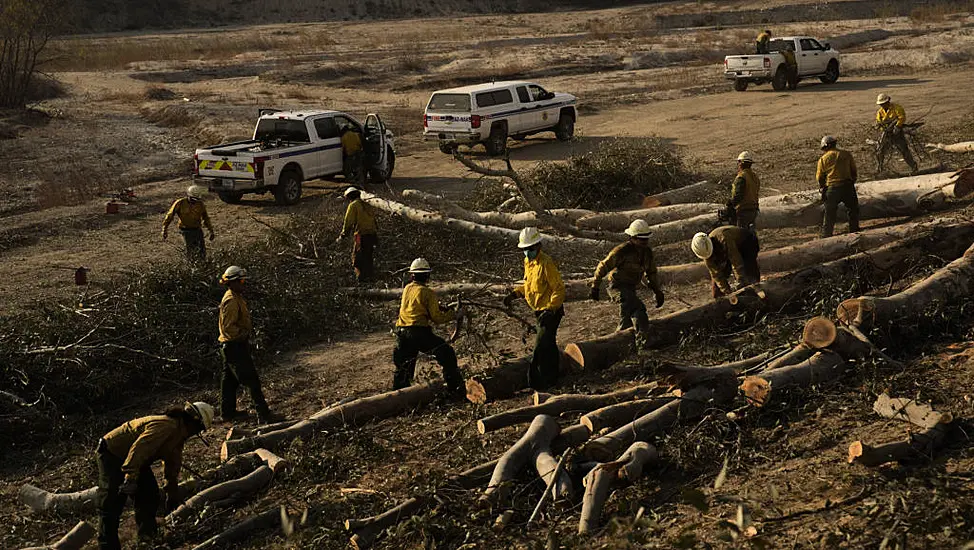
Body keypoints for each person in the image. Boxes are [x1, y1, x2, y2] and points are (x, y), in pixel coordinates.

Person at [96, 401, 214, 550]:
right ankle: (107, 547)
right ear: (194, 421)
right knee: (111, 503)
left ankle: (147, 540)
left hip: (135, 460)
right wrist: (131, 476)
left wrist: (172, 493)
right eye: (199, 428)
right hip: (112, 454)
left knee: (149, 495)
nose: (196, 433)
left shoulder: (178, 435)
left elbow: (173, 465)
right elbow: (140, 448)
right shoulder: (166, 426)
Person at [504, 227, 565, 390]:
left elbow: (559, 289)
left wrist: (551, 309)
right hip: (539, 311)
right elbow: (528, 286)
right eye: (524, 249)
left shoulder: (546, 263)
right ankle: (554, 378)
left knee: (540, 346)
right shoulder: (528, 263)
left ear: (538, 246)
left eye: (530, 249)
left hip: (551, 311)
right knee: (549, 344)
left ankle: (538, 382)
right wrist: (515, 294)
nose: (527, 252)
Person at [392, 258, 464, 394]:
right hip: (418, 333)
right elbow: (437, 318)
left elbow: (416, 305)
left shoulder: (407, 288)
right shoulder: (429, 293)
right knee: (447, 353)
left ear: (412, 275)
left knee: (403, 368)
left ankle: (397, 397)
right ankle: (455, 389)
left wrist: (440, 307)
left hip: (401, 332)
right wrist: (455, 315)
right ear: (428, 275)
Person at [217, 265, 275, 424]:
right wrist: (244, 336)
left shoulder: (236, 296)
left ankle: (227, 413)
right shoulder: (230, 301)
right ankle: (263, 414)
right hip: (234, 346)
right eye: (241, 281)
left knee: (229, 382)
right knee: (252, 380)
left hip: (231, 346)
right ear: (232, 282)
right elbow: (228, 328)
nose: (244, 283)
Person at [589, 219, 664, 341]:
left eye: (646, 239)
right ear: (633, 238)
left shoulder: (647, 253)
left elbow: (651, 273)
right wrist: (595, 286)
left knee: (631, 314)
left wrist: (657, 291)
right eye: (641, 239)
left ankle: (632, 341)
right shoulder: (621, 251)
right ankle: (633, 339)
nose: (645, 242)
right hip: (617, 286)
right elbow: (603, 266)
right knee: (637, 308)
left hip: (631, 287)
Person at [691, 226, 760, 299]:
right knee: (719, 281)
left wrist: (741, 282)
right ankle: (719, 302)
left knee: (749, 270)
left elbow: (736, 261)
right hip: (726, 250)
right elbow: (716, 274)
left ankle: (755, 293)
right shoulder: (705, 254)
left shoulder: (724, 237)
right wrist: (727, 292)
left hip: (746, 242)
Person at [816, 135, 860, 237]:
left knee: (829, 213)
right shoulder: (846, 154)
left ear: (825, 147)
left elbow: (819, 177)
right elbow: (854, 171)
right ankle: (854, 231)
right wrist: (851, 182)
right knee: (853, 209)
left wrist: (823, 187)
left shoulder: (823, 159)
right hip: (848, 186)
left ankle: (827, 235)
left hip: (832, 188)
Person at [162, 185, 215, 261]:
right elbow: (170, 215)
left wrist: (211, 231)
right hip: (185, 231)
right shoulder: (180, 203)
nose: (195, 201)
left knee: (201, 252)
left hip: (197, 230)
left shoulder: (200, 204)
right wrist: (164, 229)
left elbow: (206, 218)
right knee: (190, 252)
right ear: (188, 196)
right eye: (193, 199)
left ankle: (202, 266)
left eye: (197, 199)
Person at [336, 187, 378, 283]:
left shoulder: (353, 205)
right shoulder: (367, 205)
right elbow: (373, 221)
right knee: (368, 257)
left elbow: (348, 222)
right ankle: (370, 278)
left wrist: (343, 235)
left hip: (361, 235)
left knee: (357, 259)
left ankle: (361, 280)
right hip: (372, 235)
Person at [875, 93, 918, 175]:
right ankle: (880, 168)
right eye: (881, 104)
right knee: (880, 150)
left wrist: (897, 127)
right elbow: (878, 123)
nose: (882, 106)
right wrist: (881, 128)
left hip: (897, 133)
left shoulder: (897, 108)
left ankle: (913, 167)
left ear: (888, 102)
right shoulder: (880, 112)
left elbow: (902, 117)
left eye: (883, 104)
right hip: (886, 134)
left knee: (904, 150)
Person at [727, 151, 760, 229]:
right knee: (751, 233)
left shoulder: (741, 177)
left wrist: (730, 204)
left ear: (741, 163)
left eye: (738, 162)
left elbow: (738, 195)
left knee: (742, 234)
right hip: (754, 209)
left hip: (743, 211)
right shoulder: (755, 177)